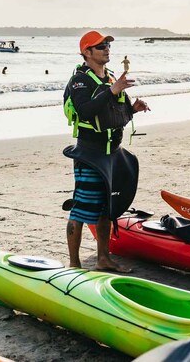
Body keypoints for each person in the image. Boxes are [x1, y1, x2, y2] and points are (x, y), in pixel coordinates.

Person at [63, 31, 149, 272]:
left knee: (106, 208)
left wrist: (133, 109)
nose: (106, 49)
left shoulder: (111, 78)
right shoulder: (80, 81)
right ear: (87, 53)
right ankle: (73, 264)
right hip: (89, 153)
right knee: (80, 208)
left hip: (113, 152)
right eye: (100, 46)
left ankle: (103, 258)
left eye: (108, 45)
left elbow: (115, 114)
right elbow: (85, 111)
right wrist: (112, 91)